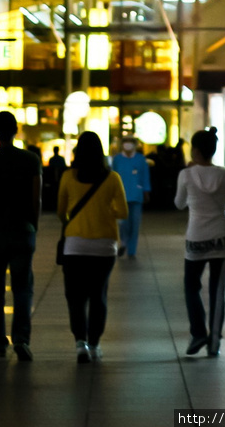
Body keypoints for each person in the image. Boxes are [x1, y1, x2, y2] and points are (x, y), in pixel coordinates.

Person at [0, 111, 42, 361]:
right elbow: (36, 198)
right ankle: (21, 339)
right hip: (23, 230)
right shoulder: (30, 159)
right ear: (16, 130)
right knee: (23, 288)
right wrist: (32, 224)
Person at [57, 132, 128, 363]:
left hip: (74, 246)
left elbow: (60, 211)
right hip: (104, 246)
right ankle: (95, 344)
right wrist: (105, 211)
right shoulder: (112, 178)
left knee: (75, 297)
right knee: (98, 296)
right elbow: (123, 212)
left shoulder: (68, 176)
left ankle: (80, 343)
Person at [175, 127, 225, 358]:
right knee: (217, 290)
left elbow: (179, 204)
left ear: (195, 150)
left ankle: (198, 333)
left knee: (190, 285)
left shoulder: (186, 175)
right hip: (222, 238)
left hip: (196, 238)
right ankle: (214, 341)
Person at [111, 136, 151, 259]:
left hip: (136, 195)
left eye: (130, 143)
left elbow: (145, 176)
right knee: (123, 223)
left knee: (135, 224)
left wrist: (146, 191)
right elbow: (113, 177)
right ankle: (123, 242)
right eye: (126, 142)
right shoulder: (117, 159)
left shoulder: (140, 159)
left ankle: (132, 250)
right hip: (121, 196)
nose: (128, 145)